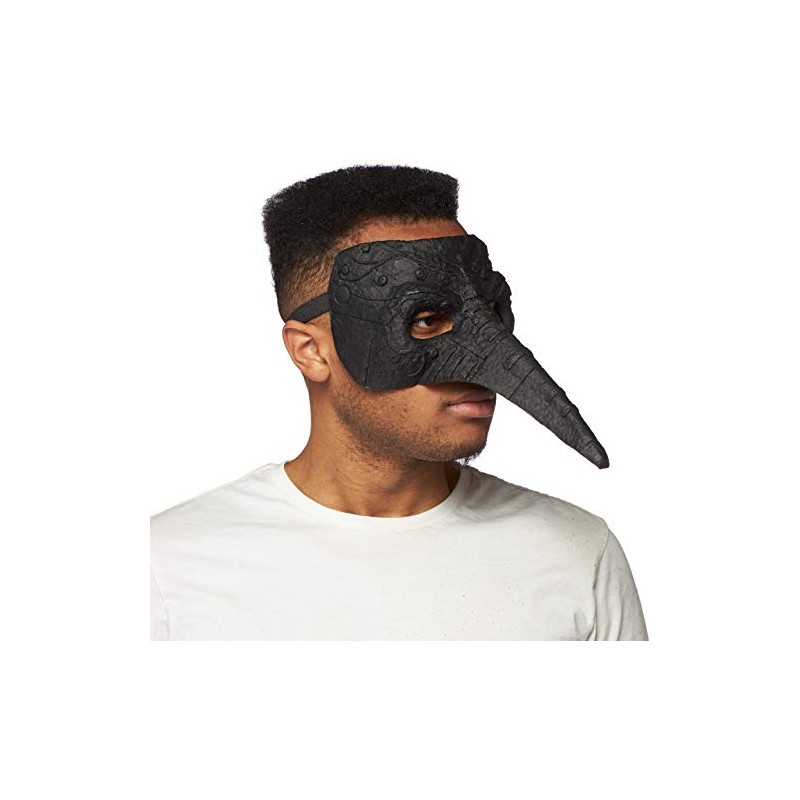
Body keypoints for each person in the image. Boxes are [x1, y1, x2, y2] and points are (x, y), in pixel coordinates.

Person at [150, 164, 648, 641]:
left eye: (491, 311)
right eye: (425, 320)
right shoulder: (169, 565)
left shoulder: (579, 553)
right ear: (311, 351)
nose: (484, 363)